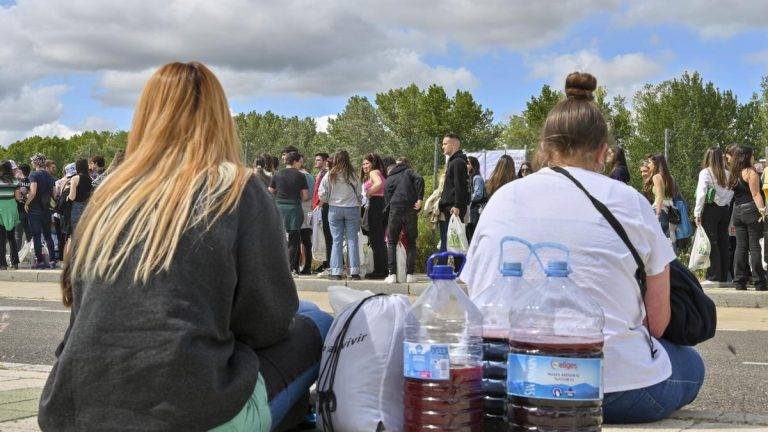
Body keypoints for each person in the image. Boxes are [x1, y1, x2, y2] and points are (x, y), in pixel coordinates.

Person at [38, 61, 332, 432]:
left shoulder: (109, 197)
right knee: (316, 320)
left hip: (73, 411)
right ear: (219, 119)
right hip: (189, 414)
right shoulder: (235, 188)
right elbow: (266, 322)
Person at [462, 72, 703, 424]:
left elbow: (476, 292)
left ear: (544, 147)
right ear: (604, 152)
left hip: (509, 385)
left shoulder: (502, 198)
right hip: (614, 390)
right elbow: (658, 323)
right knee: (690, 364)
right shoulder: (630, 201)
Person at [318, 150, 362, 281]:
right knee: (352, 240)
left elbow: (322, 194)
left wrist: (330, 200)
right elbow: (359, 193)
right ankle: (354, 272)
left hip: (334, 209)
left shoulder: (330, 174)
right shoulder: (353, 174)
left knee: (336, 240)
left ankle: (336, 271)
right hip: (352, 208)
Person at [694, 147, 734, 285]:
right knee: (723, 241)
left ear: (708, 158)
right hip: (724, 210)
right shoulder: (728, 173)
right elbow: (731, 193)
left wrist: (697, 212)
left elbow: (701, 193)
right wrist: (723, 202)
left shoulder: (705, 172)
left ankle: (713, 276)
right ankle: (723, 276)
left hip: (710, 208)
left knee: (711, 241)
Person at [730, 146, 766, 291]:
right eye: (752, 155)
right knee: (755, 246)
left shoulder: (734, 173)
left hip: (737, 211)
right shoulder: (751, 172)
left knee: (741, 247)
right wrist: (762, 211)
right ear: (747, 156)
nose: (753, 157)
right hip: (751, 210)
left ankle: (739, 281)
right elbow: (755, 194)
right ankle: (759, 282)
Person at [383, 157, 424, 284]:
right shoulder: (409, 172)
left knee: (391, 242)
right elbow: (420, 179)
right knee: (411, 242)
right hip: (410, 208)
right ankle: (410, 275)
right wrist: (419, 198)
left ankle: (392, 274)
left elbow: (387, 199)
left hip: (395, 209)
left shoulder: (389, 178)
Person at [269, 151, 309, 275]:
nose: (300, 164)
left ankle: (276, 266)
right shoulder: (301, 176)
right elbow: (305, 196)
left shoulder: (277, 174)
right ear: (295, 161)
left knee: (278, 237)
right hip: (294, 209)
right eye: (300, 162)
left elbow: (270, 191)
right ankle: (289, 268)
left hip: (279, 208)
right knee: (294, 239)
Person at [438, 133, 470, 259]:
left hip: (454, 207)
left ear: (454, 145)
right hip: (449, 206)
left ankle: (458, 268)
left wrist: (457, 205)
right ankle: (454, 267)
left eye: (445, 144)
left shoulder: (458, 162)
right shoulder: (453, 161)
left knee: (455, 242)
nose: (442, 146)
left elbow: (460, 185)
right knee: (451, 242)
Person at [25, 153, 57, 268]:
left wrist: (27, 202)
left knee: (37, 235)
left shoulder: (33, 174)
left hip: (34, 209)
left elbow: (33, 192)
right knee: (48, 235)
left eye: (32, 161)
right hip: (46, 209)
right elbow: (55, 194)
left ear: (35, 163)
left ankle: (40, 261)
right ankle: (52, 260)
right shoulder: (50, 176)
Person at [361, 153, 388, 279]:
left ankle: (379, 271)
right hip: (382, 204)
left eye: (367, 163)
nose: (364, 166)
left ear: (373, 163)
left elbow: (379, 184)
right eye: (363, 164)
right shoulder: (381, 172)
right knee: (380, 240)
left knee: (376, 239)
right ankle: (383, 269)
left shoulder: (373, 173)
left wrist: (368, 192)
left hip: (376, 204)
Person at [646, 154, 678, 240]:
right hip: (669, 210)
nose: (648, 165)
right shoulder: (670, 178)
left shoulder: (656, 177)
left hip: (659, 209)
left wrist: (657, 213)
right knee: (667, 238)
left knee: (657, 239)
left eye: (649, 162)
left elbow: (660, 196)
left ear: (655, 163)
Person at [312, 153, 332, 274]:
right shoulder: (320, 174)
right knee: (322, 236)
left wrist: (319, 205)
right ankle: (325, 263)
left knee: (326, 236)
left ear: (325, 161)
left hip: (323, 206)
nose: (316, 162)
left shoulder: (326, 174)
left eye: (318, 160)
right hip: (317, 207)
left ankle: (329, 263)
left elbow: (324, 192)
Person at [0, 161, 20, 270]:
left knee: (1, 238)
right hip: (11, 209)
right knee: (11, 237)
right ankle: (15, 262)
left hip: (0, 209)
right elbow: (17, 197)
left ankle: (2, 264)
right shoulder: (15, 181)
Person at [66, 159, 93, 235]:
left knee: (76, 232)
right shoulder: (90, 179)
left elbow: (72, 196)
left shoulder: (75, 178)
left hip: (77, 207)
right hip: (87, 207)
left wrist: (67, 197)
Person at [298, 155, 315, 275]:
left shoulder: (304, 176)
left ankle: (306, 266)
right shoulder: (308, 175)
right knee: (305, 238)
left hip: (303, 208)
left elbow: (306, 195)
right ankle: (306, 266)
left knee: (304, 238)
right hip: (306, 208)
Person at [466, 156, 485, 242]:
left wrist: (466, 198)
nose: (465, 165)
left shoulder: (477, 178)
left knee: (474, 233)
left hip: (476, 209)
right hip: (472, 209)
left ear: (473, 166)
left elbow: (478, 195)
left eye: (467, 163)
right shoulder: (469, 178)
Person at [14, 163, 31, 247]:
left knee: (18, 234)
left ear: (20, 171)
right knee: (30, 233)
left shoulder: (16, 182)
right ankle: (32, 251)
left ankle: (17, 253)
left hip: (18, 210)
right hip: (30, 210)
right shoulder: (32, 181)